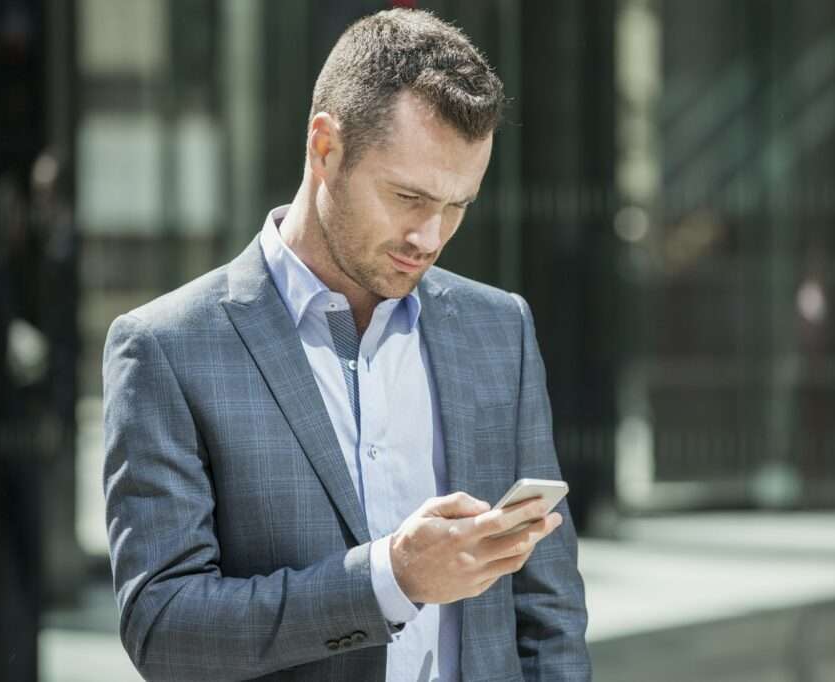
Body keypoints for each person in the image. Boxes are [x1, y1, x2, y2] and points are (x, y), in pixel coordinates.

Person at [103, 8, 590, 681]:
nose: (431, 235)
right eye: (408, 196)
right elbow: (165, 630)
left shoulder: (497, 329)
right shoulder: (169, 349)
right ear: (325, 148)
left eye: (458, 205)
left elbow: (548, 615)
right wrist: (389, 579)